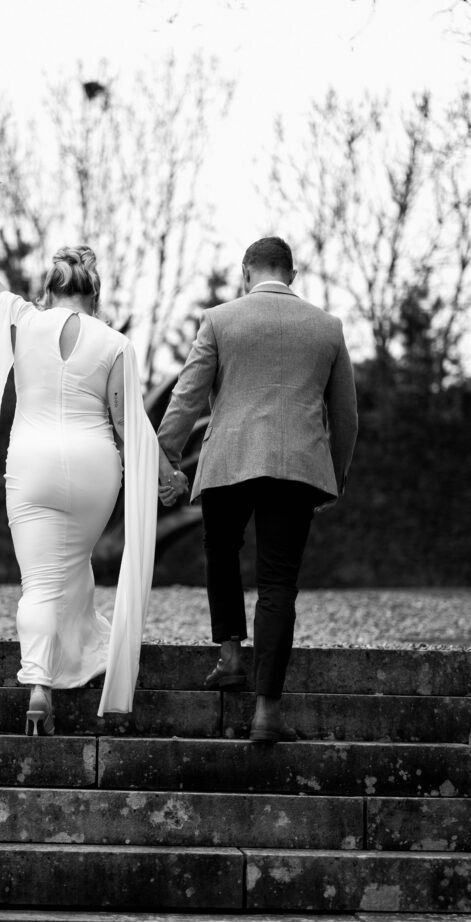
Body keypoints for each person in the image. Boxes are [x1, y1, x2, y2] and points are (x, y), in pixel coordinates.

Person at [0, 203, 188, 732]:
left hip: (32, 463)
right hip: (94, 470)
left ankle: (39, 681)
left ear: (48, 289)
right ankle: (78, 655)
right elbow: (128, 421)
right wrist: (167, 476)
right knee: (72, 562)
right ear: (94, 295)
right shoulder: (115, 343)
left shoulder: (22, 320)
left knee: (41, 580)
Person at [158, 236, 358, 743]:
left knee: (220, 551)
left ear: (246, 272)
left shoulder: (220, 320)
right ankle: (267, 713)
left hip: (227, 459)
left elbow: (186, 397)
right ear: (290, 275)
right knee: (277, 583)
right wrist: (330, 478)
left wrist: (165, 457)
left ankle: (229, 658)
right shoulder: (327, 328)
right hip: (297, 468)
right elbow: (346, 419)